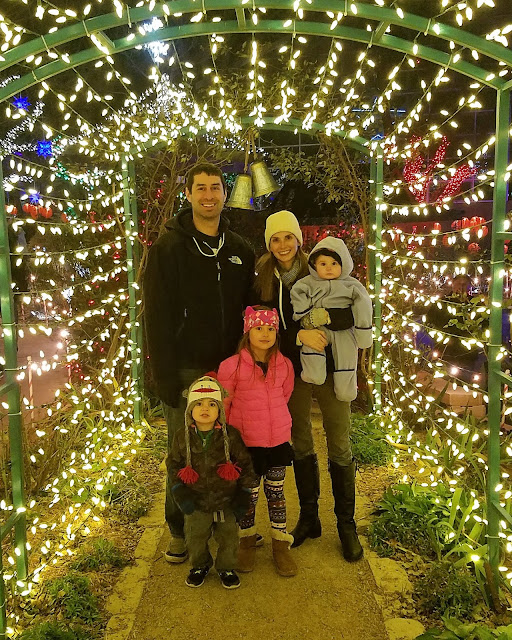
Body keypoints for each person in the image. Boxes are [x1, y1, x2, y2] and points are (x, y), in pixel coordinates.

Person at [144, 162, 255, 563]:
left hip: (231, 368)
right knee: (184, 453)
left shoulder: (240, 249)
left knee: (229, 448)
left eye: (215, 188)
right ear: (188, 194)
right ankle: (180, 530)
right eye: (201, 188)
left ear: (225, 194)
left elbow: (251, 311)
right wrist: (163, 375)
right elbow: (156, 316)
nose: (209, 195)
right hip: (187, 368)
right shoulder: (168, 249)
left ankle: (228, 527)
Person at [253, 210, 365, 562]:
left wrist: (326, 319)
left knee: (339, 441)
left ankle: (346, 525)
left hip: (334, 367)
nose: (282, 245)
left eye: (288, 237)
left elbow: (353, 309)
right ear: (269, 244)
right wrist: (298, 336)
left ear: (299, 240)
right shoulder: (263, 277)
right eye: (275, 239)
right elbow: (260, 324)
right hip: (292, 369)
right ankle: (309, 516)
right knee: (300, 440)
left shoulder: (319, 265)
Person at [217, 306, 297, 577]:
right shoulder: (231, 366)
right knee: (248, 496)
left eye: (270, 329)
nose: (265, 334)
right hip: (246, 444)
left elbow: (285, 395)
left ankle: (280, 545)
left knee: (276, 494)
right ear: (247, 332)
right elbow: (224, 404)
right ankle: (247, 541)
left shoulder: (284, 365)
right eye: (259, 328)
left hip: (277, 442)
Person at [167, 376, 255, 589]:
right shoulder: (182, 437)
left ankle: (226, 567)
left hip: (226, 500)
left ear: (220, 411)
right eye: (198, 404)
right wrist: (180, 493)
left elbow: (244, 464)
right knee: (195, 537)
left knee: (229, 537)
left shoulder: (230, 436)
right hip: (196, 501)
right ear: (190, 410)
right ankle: (200, 565)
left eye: (212, 404)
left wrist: (244, 494)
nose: (205, 408)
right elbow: (173, 465)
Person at [290, 236, 373, 402]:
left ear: (343, 264)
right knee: (314, 344)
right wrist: (305, 314)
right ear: (314, 265)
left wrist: (363, 332)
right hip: (318, 327)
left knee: (346, 354)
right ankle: (313, 373)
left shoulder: (351, 285)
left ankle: (346, 389)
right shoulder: (308, 283)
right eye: (323, 264)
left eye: (334, 263)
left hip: (344, 331)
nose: (328, 268)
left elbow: (363, 305)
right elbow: (297, 293)